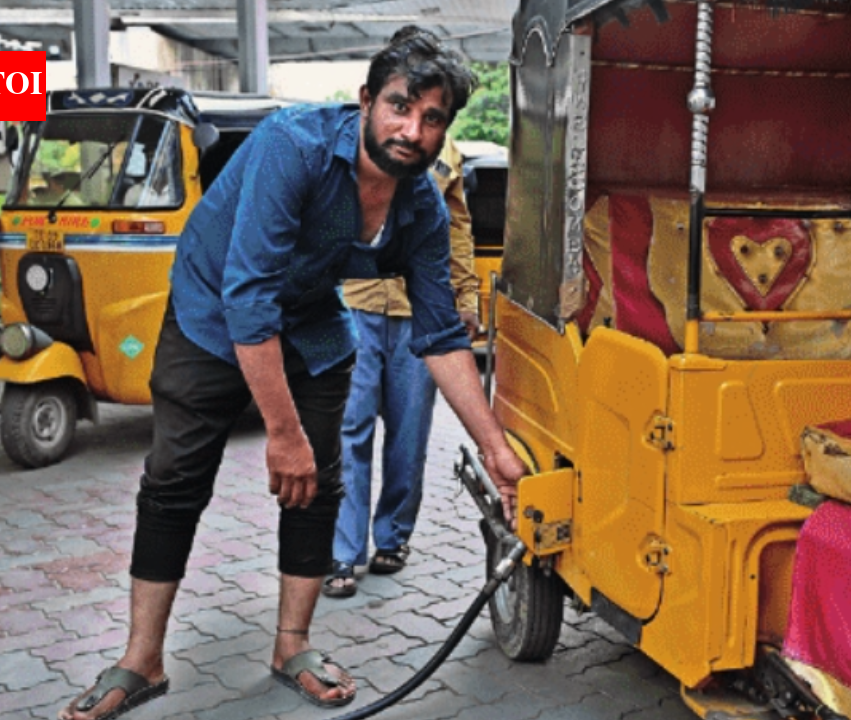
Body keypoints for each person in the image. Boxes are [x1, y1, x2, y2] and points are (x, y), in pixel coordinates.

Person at [58, 26, 526, 720]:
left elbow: (438, 334)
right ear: (366, 100)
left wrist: (496, 451)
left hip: (310, 321)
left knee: (317, 483)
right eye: (400, 106)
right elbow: (247, 298)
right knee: (176, 478)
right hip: (211, 315)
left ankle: (291, 645)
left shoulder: (420, 204)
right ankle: (142, 658)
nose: (412, 130)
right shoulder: (294, 145)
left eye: (432, 119)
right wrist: (281, 433)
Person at [324, 133, 480, 598]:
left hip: (421, 313)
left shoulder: (448, 153)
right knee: (350, 428)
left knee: (409, 433)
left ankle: (393, 536)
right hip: (356, 304)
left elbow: (458, 229)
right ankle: (343, 550)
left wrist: (467, 297)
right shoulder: (359, 143)